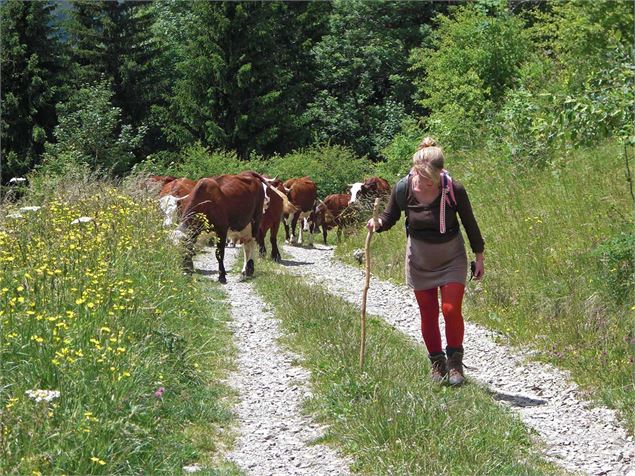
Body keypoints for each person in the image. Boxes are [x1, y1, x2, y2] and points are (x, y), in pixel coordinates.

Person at [367, 137, 484, 385]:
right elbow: (389, 218)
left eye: (429, 176)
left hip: (452, 256)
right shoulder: (404, 188)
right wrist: (376, 224)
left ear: (440, 172)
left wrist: (479, 255)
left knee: (451, 310)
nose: (423, 180)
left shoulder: (453, 189)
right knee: (428, 313)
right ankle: (437, 363)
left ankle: (455, 363)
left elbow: (470, 223)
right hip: (419, 258)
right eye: (419, 174)